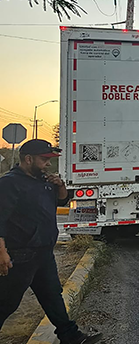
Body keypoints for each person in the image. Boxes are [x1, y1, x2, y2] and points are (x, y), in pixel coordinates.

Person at [0, 139, 102, 344]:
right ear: (28, 159)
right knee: (6, 302)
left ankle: (71, 337)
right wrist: (2, 252)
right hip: (20, 255)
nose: (48, 163)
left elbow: (62, 201)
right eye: (44, 159)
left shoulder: (44, 180)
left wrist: (61, 185)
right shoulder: (9, 183)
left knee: (52, 296)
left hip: (44, 254)